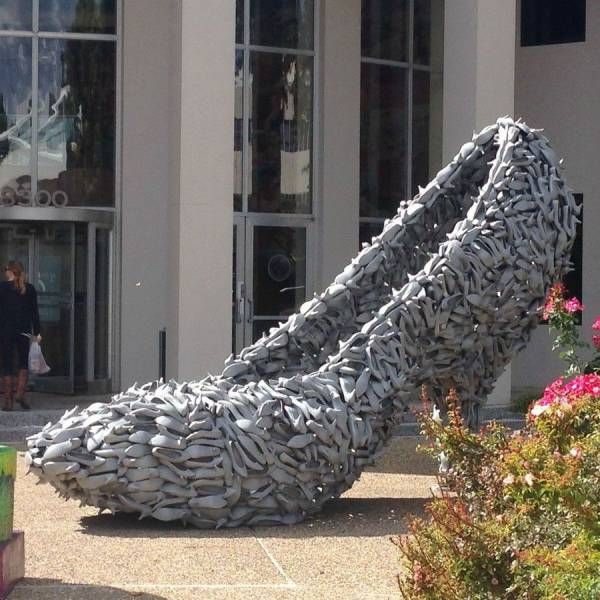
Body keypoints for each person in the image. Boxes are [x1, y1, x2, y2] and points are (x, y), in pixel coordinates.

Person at [0, 261, 41, 411]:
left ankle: (8, 401)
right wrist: (37, 332)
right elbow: (34, 313)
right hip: (24, 331)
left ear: (10, 271)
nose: (4, 272)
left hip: (5, 331)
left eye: (6, 269)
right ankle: (20, 393)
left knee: (7, 364)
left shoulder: (2, 288)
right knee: (23, 362)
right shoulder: (29, 289)